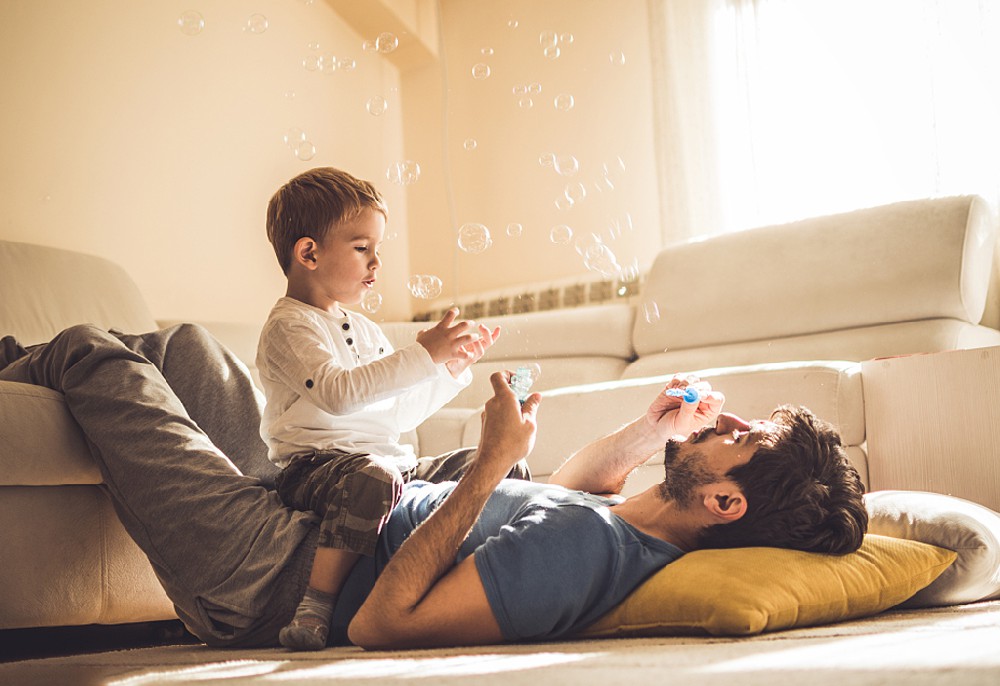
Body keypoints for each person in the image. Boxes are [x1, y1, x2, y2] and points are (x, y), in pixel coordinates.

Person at [0, 324, 867, 650]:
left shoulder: (594, 550)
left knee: (92, 353)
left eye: (741, 440)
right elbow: (573, 488)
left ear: (725, 504)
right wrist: (654, 432)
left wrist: (489, 462)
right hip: (311, 508)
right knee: (192, 347)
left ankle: (21, 363)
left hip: (270, 577)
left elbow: (383, 624)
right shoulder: (624, 521)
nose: (725, 424)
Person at [257, 167, 526, 650]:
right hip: (318, 466)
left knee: (491, 462)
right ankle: (317, 603)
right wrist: (422, 354)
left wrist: (447, 368)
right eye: (362, 248)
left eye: (377, 249)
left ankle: (483, 573)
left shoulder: (366, 330)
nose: (376, 263)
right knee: (373, 476)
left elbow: (396, 417)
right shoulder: (290, 327)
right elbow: (338, 395)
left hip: (389, 463)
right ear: (308, 253)